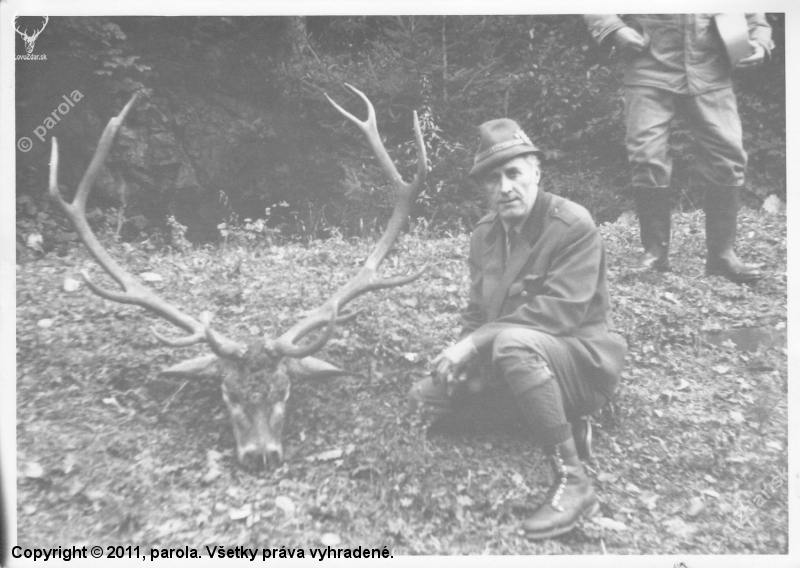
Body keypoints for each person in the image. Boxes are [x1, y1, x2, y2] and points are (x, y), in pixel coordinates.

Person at [409, 119, 627, 540]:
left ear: (536, 173)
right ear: (484, 189)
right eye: (493, 179)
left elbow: (558, 314)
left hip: (579, 366)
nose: (505, 188)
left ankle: (574, 480)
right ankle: (559, 424)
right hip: (517, 362)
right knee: (426, 398)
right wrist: (465, 354)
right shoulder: (484, 235)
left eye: (514, 173)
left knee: (512, 344)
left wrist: (475, 344)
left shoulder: (572, 226)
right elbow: (477, 312)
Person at [583, 14, 774, 283]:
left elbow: (754, 14)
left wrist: (760, 41)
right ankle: (655, 254)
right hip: (649, 65)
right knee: (646, 156)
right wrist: (613, 28)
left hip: (711, 68)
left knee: (728, 155)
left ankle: (722, 256)